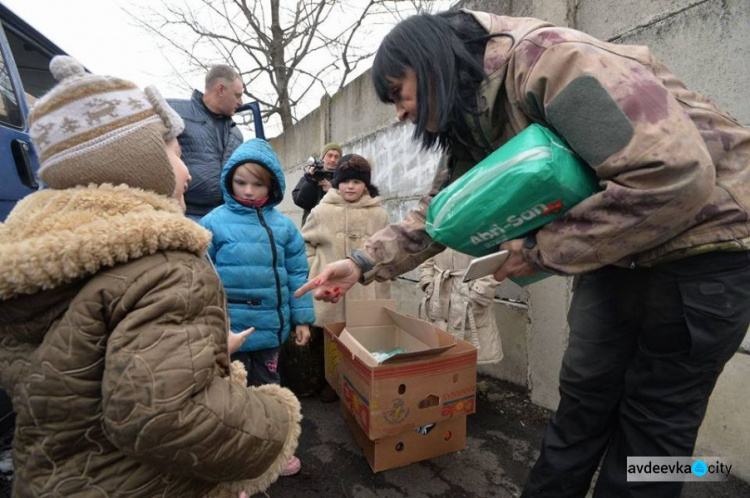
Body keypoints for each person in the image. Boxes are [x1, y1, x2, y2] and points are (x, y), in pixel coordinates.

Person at [296, 9, 750, 498]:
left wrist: (538, 251)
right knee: (581, 398)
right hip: (615, 253)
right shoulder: (476, 115)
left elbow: (670, 175)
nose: (400, 114)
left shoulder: (553, 63)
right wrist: (362, 262)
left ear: (433, 64)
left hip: (705, 249)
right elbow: (443, 212)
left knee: (656, 423)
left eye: (400, 94)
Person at [0, 56, 301, 497]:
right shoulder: (165, 269)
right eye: (176, 155)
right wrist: (277, 420)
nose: (188, 173)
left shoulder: (42, 261)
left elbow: (98, 367)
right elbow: (168, 415)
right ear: (135, 161)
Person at [200, 137, 315, 477]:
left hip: (270, 332)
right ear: (228, 180)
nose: (249, 190)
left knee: (271, 391)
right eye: (241, 182)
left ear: (273, 185)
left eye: (258, 184)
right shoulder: (211, 222)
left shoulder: (283, 226)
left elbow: (298, 275)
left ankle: (274, 452)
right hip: (229, 331)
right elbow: (199, 278)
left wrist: (302, 320)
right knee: (232, 396)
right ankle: (237, 462)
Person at [297, 154, 390, 400]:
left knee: (363, 336)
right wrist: (313, 266)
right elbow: (305, 245)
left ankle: (358, 381)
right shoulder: (320, 212)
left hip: (366, 287)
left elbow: (387, 250)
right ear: (337, 181)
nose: (350, 186)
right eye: (345, 180)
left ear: (366, 185)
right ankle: (332, 380)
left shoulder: (378, 215)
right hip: (329, 286)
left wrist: (373, 273)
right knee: (329, 337)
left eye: (357, 182)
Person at [168, 64, 244, 221]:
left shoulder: (236, 134)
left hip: (225, 217)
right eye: (237, 95)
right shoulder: (173, 112)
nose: (241, 102)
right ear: (221, 89)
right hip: (184, 215)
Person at [417, 248, 502, 365]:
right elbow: (427, 250)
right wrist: (427, 280)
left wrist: (479, 292)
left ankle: (464, 380)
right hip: (439, 290)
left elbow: (495, 259)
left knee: (466, 358)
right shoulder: (434, 228)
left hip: (470, 289)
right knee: (439, 350)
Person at [291, 142, 342, 225]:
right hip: (311, 229)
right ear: (323, 158)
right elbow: (299, 200)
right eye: (329, 155)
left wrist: (332, 190)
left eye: (336, 157)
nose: (333, 160)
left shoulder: (343, 179)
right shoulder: (308, 177)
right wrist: (311, 181)